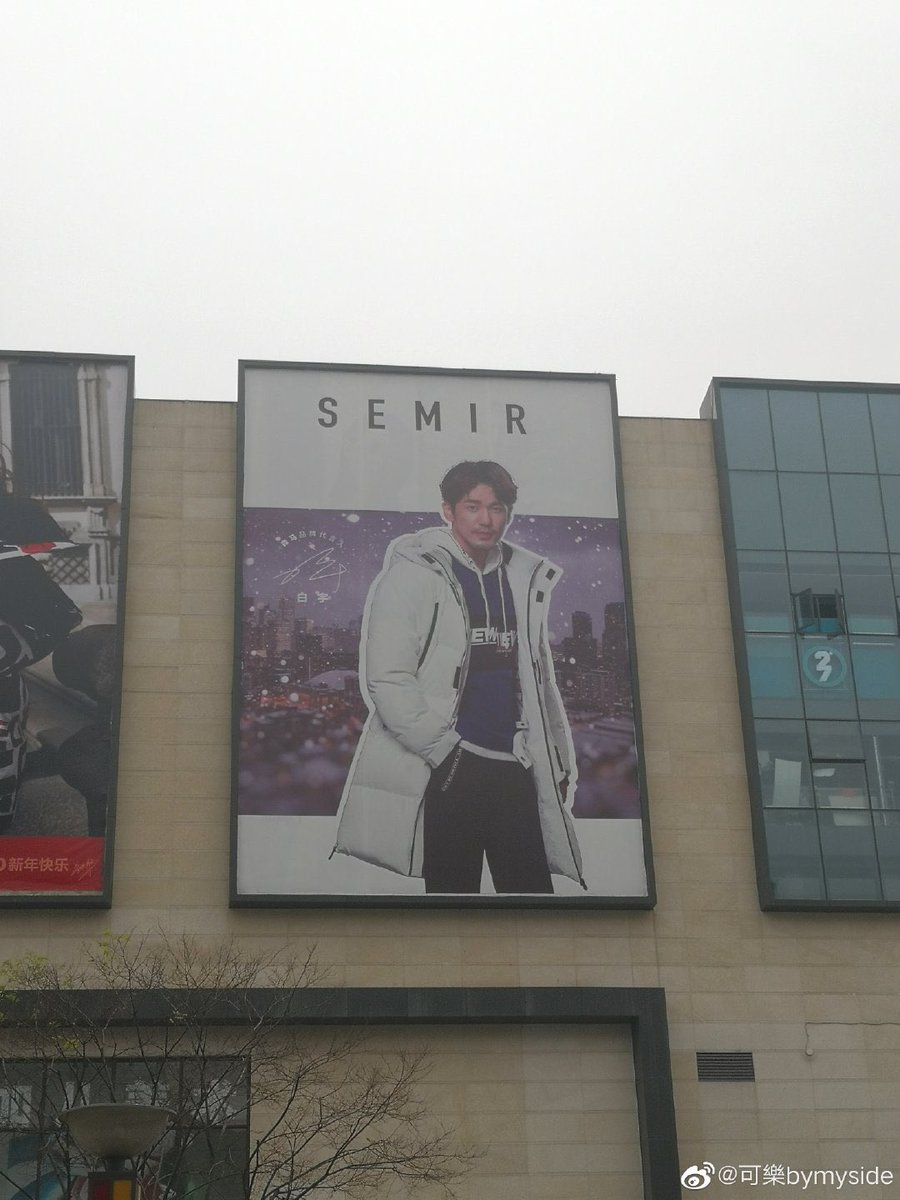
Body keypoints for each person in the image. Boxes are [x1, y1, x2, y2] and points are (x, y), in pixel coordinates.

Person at [332, 460, 584, 894]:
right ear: (448, 510)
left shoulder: (521, 580)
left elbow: (539, 683)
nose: (486, 520)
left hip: (515, 766)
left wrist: (558, 760)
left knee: (533, 904)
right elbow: (388, 679)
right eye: (473, 507)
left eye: (497, 507)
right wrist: (447, 753)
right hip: (449, 768)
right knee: (452, 904)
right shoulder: (414, 574)